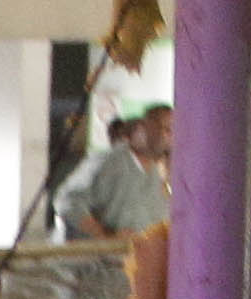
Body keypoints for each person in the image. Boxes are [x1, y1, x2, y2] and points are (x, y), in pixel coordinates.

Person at [49, 103, 169, 242]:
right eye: (166, 129)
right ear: (141, 130)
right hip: (90, 259)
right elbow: (68, 202)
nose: (171, 138)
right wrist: (105, 236)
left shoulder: (157, 173)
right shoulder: (107, 161)